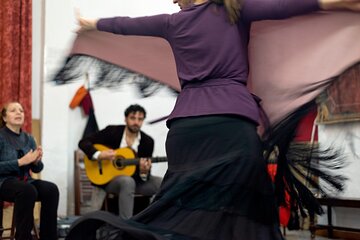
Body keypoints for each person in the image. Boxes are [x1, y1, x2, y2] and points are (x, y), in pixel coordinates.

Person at [68, 0, 360, 239]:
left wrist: (91, 24)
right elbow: (290, 5)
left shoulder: (173, 22)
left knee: (182, 208)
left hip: (185, 131)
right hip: (231, 124)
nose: (173, 1)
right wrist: (339, 4)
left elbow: (125, 25)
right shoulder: (234, 9)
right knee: (245, 208)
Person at [78, 104, 162, 219]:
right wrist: (99, 154)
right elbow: (83, 142)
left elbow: (144, 176)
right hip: (109, 180)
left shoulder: (147, 142)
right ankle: (125, 226)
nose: (136, 122)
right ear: (125, 119)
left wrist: (144, 172)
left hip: (136, 182)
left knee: (162, 183)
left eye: (140, 119)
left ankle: (155, 222)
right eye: (133, 118)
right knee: (127, 182)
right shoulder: (112, 131)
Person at [0, 101, 59, 240]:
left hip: (26, 181)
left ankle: (49, 237)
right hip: (4, 182)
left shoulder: (29, 138)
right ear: (4, 118)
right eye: (13, 110)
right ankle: (23, 237)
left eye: (21, 110)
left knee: (51, 189)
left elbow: (37, 168)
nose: (19, 112)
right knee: (27, 190)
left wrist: (36, 161)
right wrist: (20, 162)